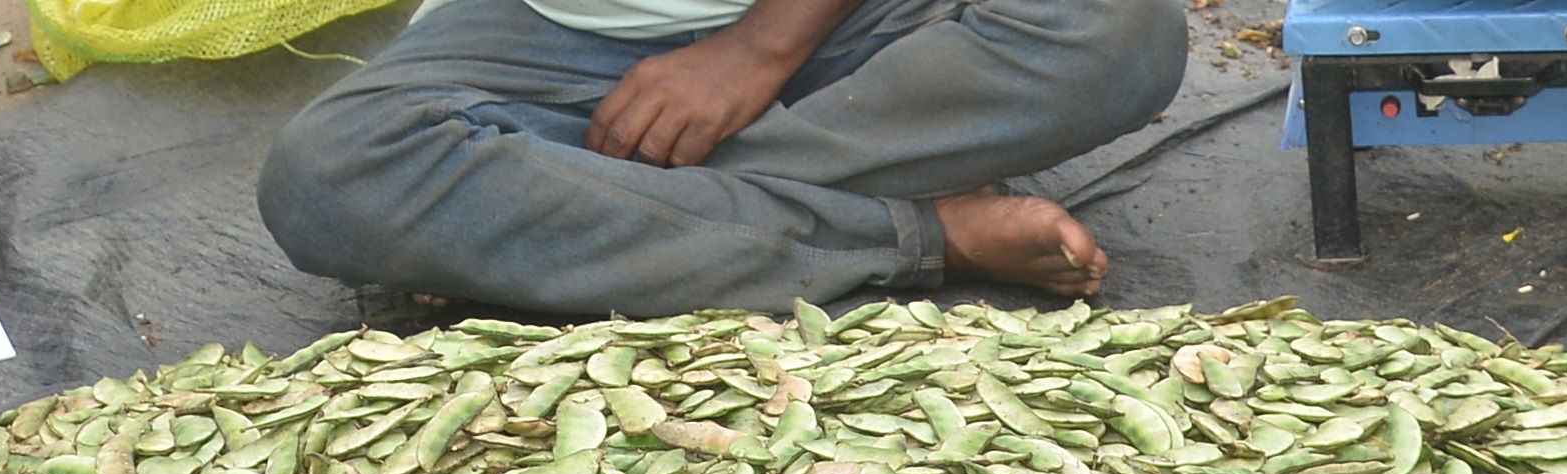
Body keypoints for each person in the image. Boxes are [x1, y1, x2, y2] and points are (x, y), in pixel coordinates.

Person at [256, 0, 1184, 316]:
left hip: (841, 29)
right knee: (334, 174)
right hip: (546, 38)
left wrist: (758, 50)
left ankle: (577, 218)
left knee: (1113, 28)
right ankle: (919, 234)